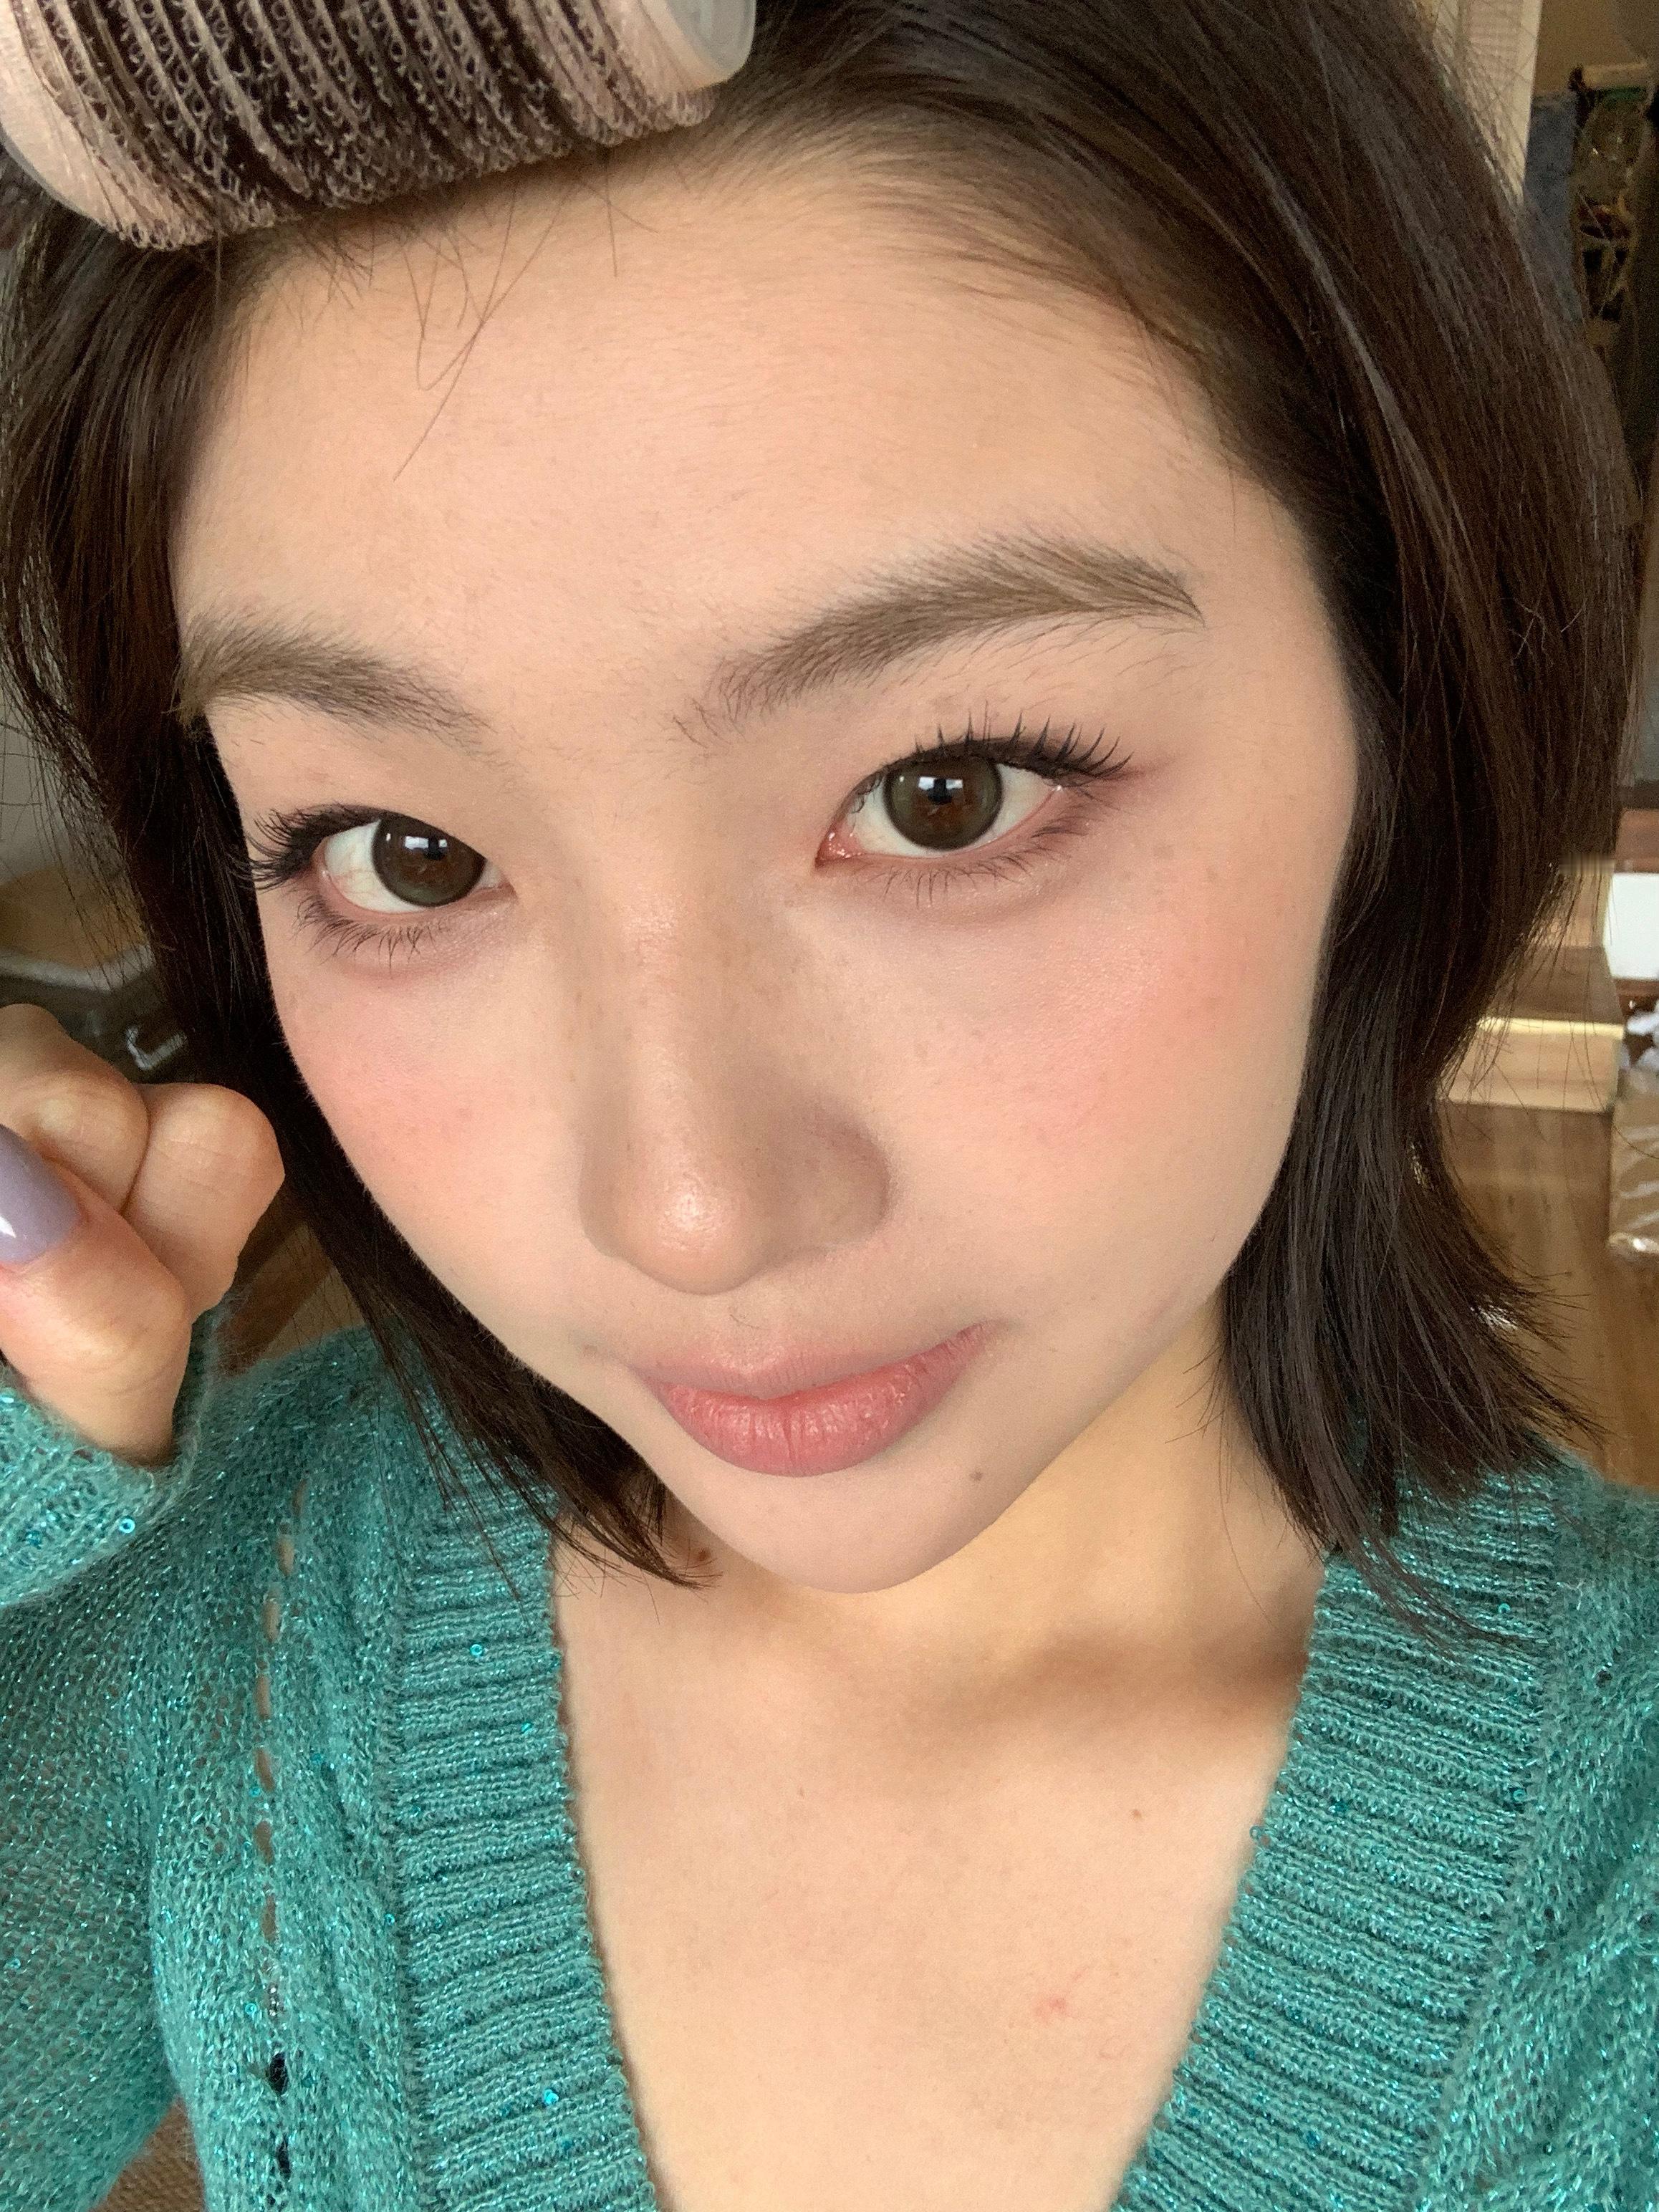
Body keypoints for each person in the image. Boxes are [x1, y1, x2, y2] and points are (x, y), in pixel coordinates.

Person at [0, 2, 1651, 2208]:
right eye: (408, 855)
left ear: (1397, 708)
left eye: (943, 794)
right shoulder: (213, 1612)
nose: (689, 1210)